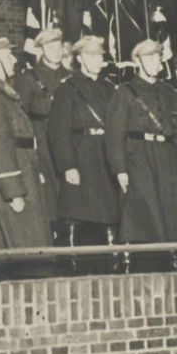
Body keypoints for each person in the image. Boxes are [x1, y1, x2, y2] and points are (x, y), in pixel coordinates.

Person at [105, 39, 177, 251]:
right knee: (144, 213)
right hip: (139, 158)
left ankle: (173, 256)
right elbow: (114, 135)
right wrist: (120, 170)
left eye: (157, 57)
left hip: (167, 157)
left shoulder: (170, 92)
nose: (155, 62)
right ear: (137, 61)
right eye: (149, 57)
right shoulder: (124, 92)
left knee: (172, 212)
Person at [47, 35, 120, 257]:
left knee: (109, 209)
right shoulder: (68, 88)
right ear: (80, 58)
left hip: (105, 153)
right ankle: (72, 259)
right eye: (92, 56)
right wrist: (68, 165)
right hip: (81, 154)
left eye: (100, 56)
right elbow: (58, 131)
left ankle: (112, 258)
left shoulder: (110, 88)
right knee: (77, 211)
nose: (98, 60)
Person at [0, 36, 52, 251]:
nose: (13, 61)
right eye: (7, 56)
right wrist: (13, 191)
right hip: (15, 177)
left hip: (25, 168)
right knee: (22, 239)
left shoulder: (4, 91)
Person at [16, 27, 70, 204]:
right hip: (43, 141)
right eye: (50, 47)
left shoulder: (72, 77)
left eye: (58, 47)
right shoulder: (30, 78)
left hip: (69, 140)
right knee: (49, 193)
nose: (55, 51)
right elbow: (21, 116)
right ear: (40, 49)